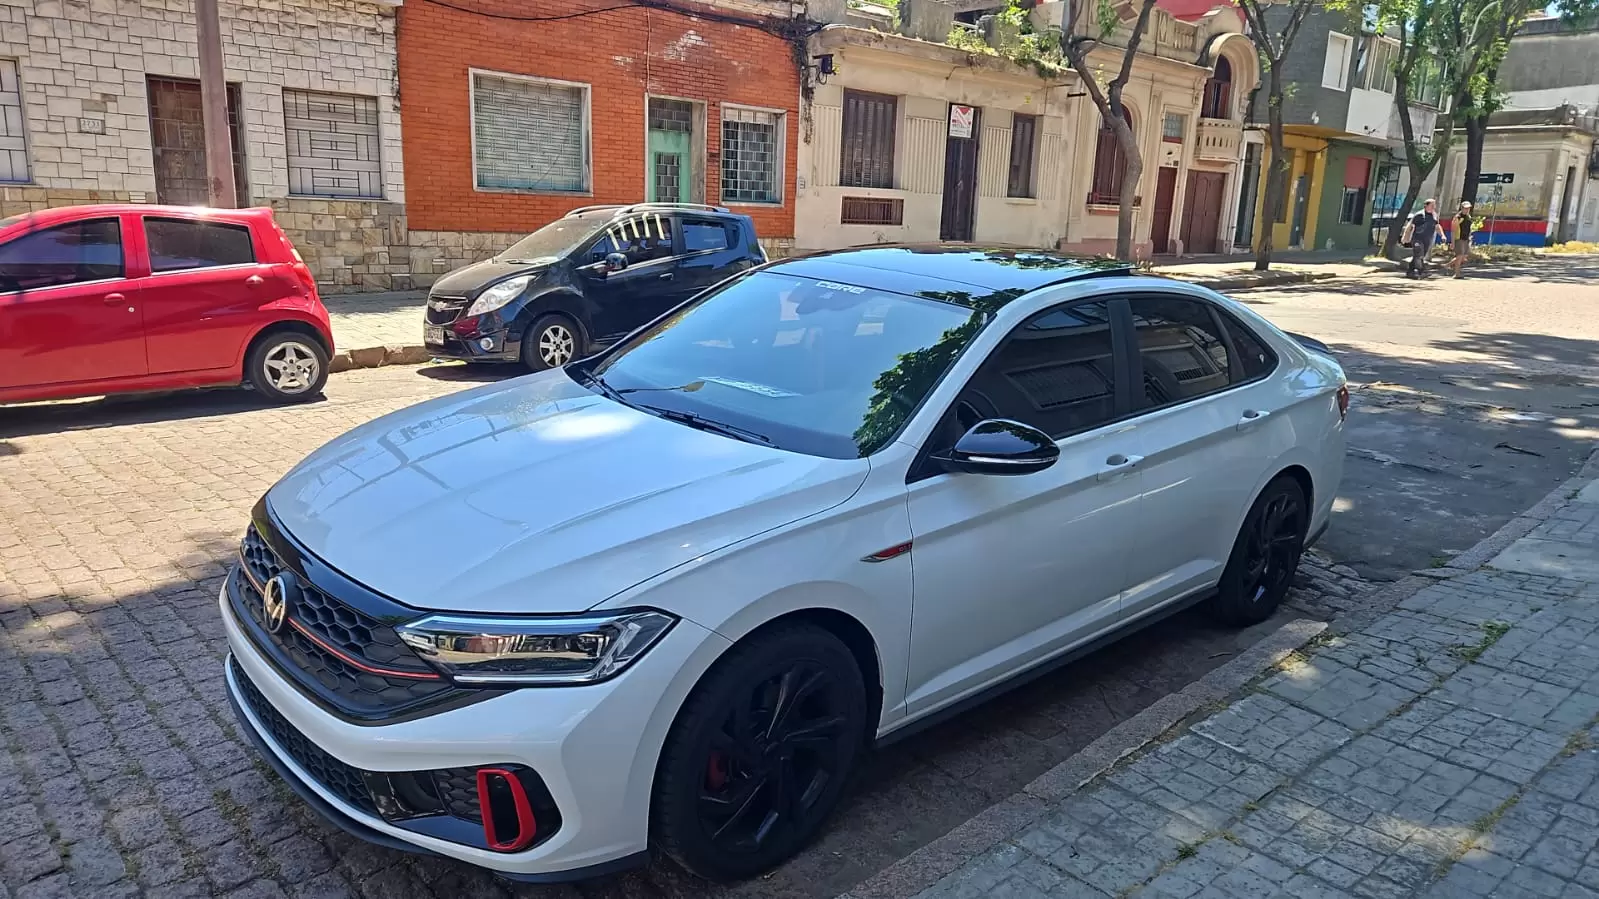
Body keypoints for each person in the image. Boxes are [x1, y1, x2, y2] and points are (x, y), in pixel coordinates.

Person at [1405, 199, 1445, 279]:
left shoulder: (1434, 215)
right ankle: (1422, 271)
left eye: (1434, 205)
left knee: (1419, 256)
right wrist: (1406, 237)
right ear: (1426, 206)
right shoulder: (1419, 215)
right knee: (1419, 254)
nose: (1434, 207)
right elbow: (1410, 226)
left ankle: (1410, 271)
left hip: (1427, 239)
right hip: (1417, 239)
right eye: (1432, 205)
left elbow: (1437, 226)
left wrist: (1442, 235)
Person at [1447, 201, 1474, 278]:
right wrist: (1452, 242)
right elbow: (1453, 230)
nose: (1467, 210)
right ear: (1462, 208)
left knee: (1463, 257)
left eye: (1468, 208)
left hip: (1466, 239)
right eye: (1465, 208)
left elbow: (1469, 228)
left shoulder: (1468, 217)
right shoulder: (1458, 217)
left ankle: (1447, 265)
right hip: (1459, 238)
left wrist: (1470, 238)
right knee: (1459, 256)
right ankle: (1457, 274)